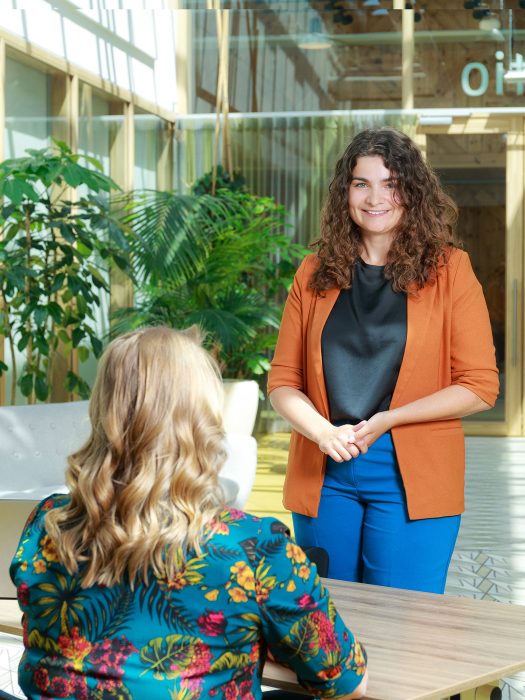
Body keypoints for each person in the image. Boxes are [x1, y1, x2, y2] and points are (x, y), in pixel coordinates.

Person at [10, 326, 368, 700]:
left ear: (102, 410)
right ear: (203, 421)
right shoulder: (254, 547)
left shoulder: (48, 524)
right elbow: (347, 684)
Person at [268, 127, 499, 595]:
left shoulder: (450, 270)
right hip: (325, 472)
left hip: (411, 473)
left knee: (403, 620)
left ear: (412, 192)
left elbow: (479, 386)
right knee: (327, 619)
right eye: (361, 184)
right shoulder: (313, 273)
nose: (375, 198)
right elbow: (283, 382)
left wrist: (390, 419)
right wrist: (322, 432)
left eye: (390, 184)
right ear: (345, 192)